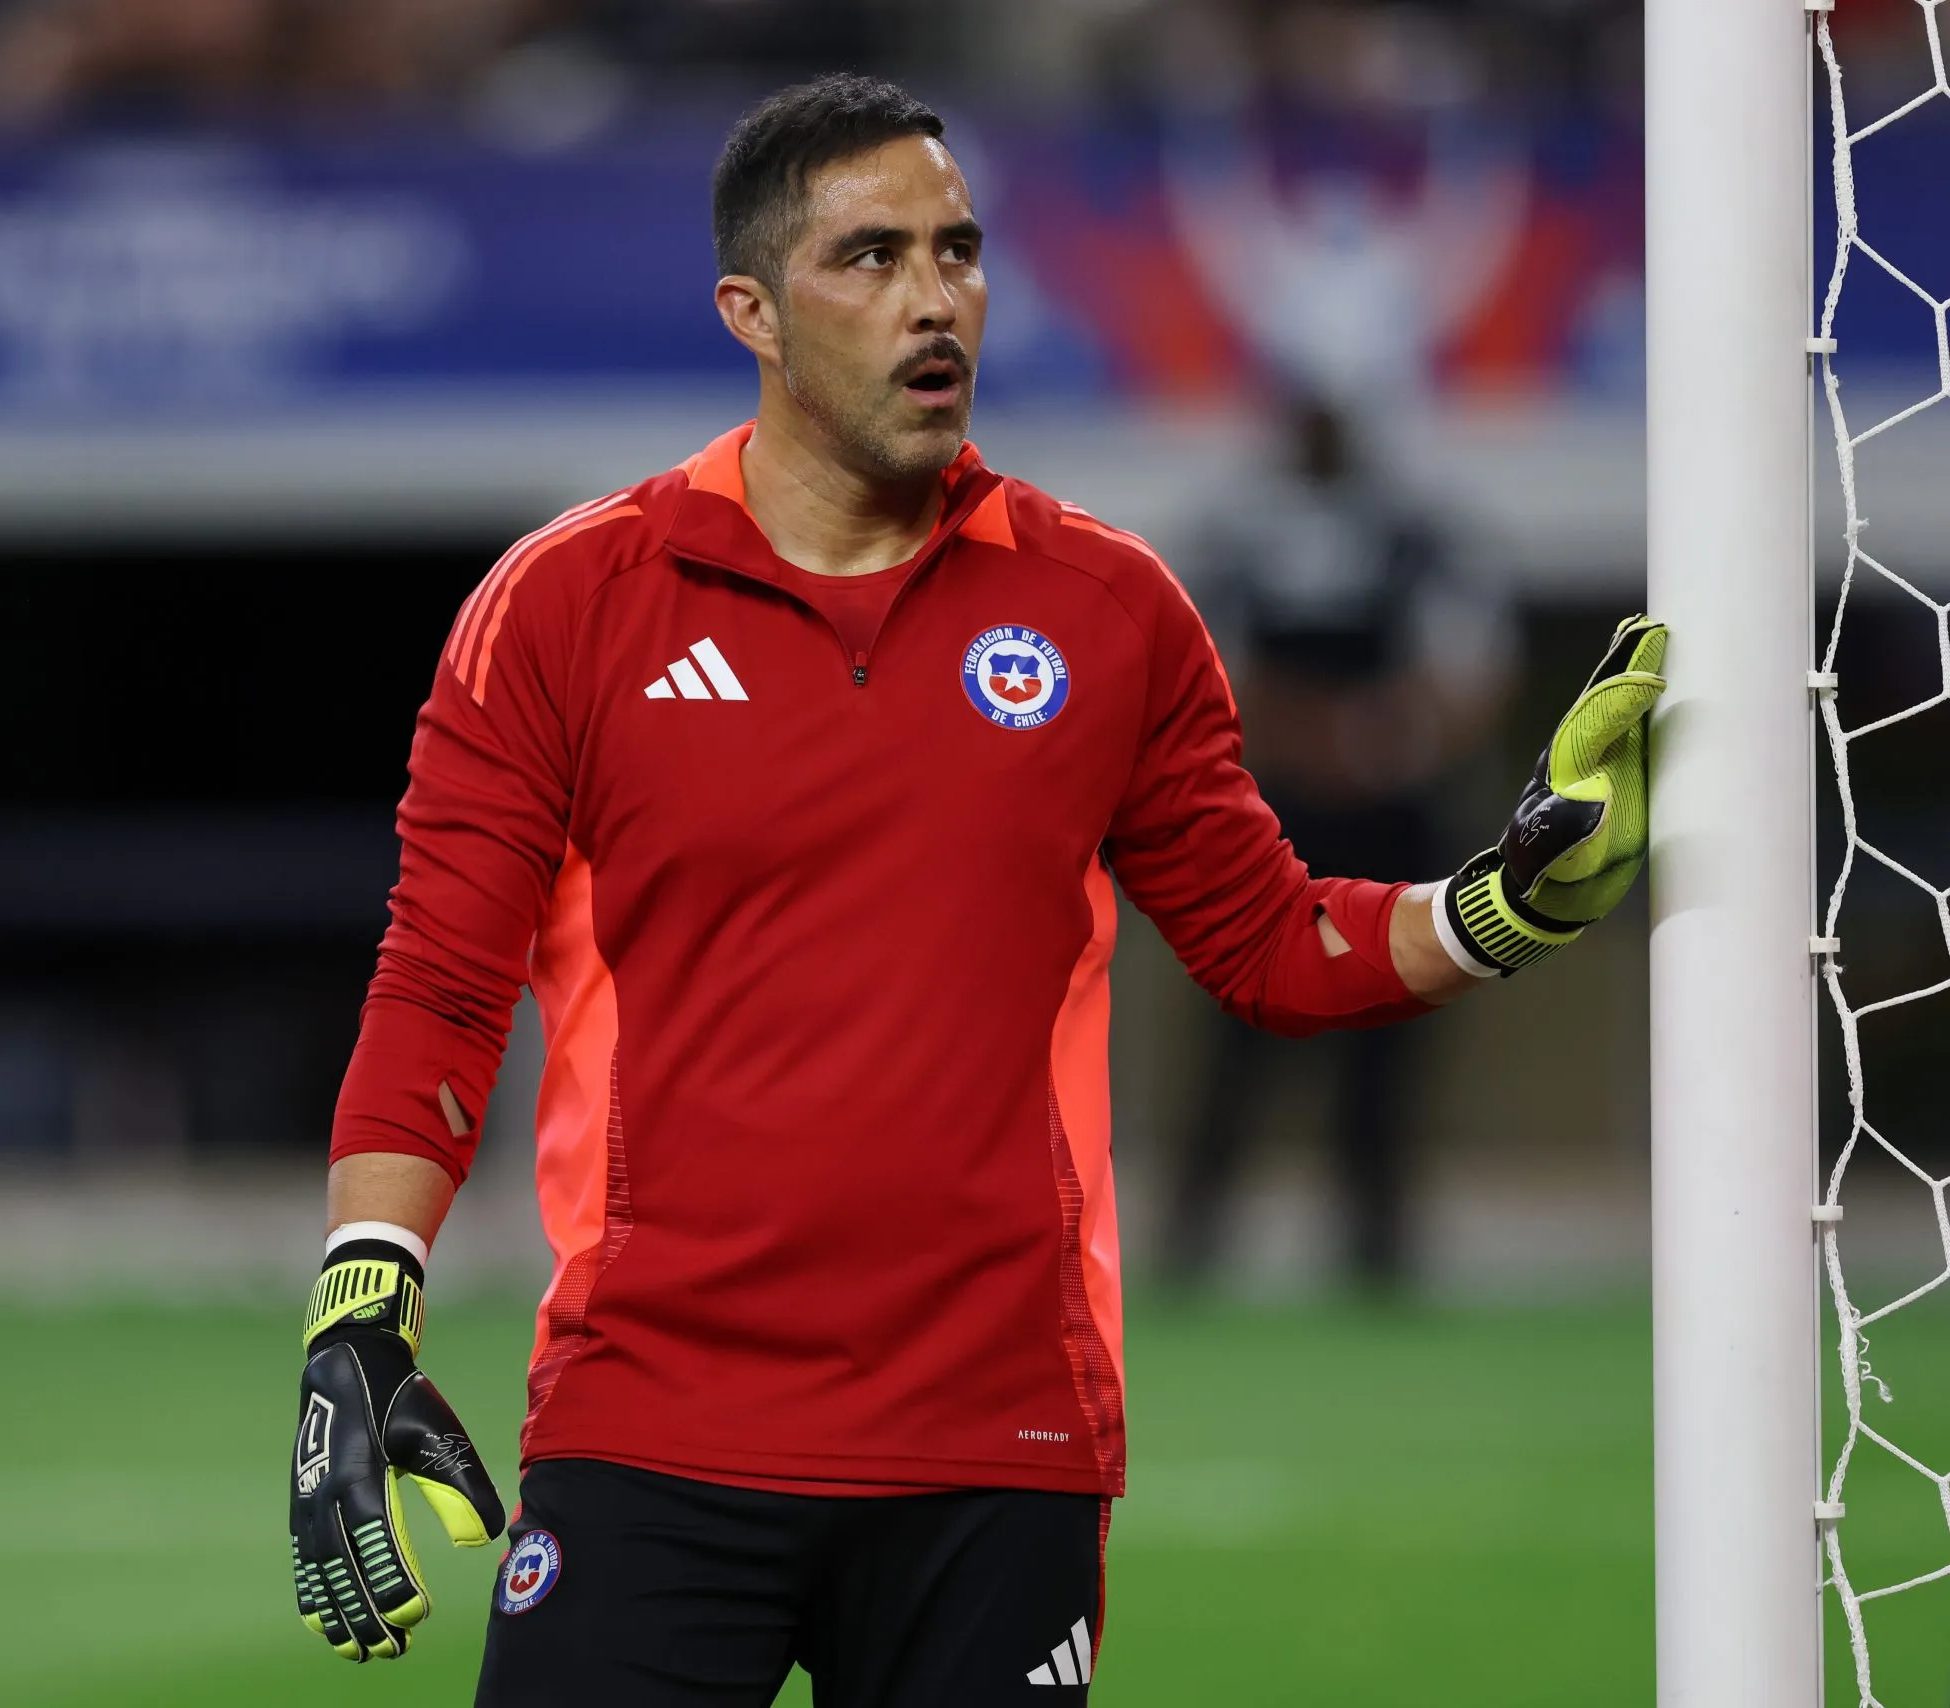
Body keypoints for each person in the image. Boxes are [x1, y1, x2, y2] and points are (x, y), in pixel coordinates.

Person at [287, 73, 1665, 1706]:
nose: (935, 298)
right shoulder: (566, 606)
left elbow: (1269, 938)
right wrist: (364, 1300)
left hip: (999, 1447)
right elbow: (441, 975)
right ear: (754, 310)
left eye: (959, 250)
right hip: (651, 1422)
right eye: (870, 258)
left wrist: (1507, 904)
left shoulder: (1109, 608)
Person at [1163, 393, 1518, 1288]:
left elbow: (1473, 672)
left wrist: (1389, 738)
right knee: (1240, 1025)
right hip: (1269, 817)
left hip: (1388, 814)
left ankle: (1379, 1242)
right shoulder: (1237, 538)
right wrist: (1297, 742)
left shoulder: (1417, 536)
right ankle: (1194, 1238)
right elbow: (1202, 673)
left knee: (1388, 1025)